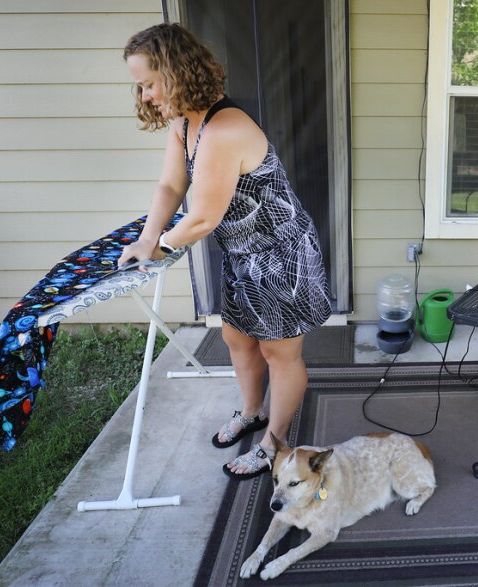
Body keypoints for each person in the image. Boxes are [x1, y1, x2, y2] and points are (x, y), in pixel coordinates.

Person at [118, 23, 332, 479]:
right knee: (236, 338)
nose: (145, 94)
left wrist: (162, 248)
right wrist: (145, 239)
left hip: (280, 256)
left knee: (281, 354)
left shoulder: (225, 128)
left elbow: (202, 218)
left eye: (149, 83)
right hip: (241, 252)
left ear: (176, 72)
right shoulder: (185, 124)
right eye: (139, 85)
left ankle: (275, 445)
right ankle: (253, 411)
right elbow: (171, 185)